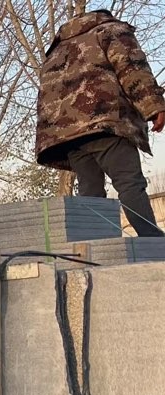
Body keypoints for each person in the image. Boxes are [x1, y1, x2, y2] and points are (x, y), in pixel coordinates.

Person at [36, 9, 165, 237]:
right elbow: (131, 69)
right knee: (129, 183)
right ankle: (154, 244)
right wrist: (154, 106)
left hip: (68, 135)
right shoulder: (110, 30)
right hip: (106, 123)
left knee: (91, 193)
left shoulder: (57, 50)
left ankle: (98, 247)